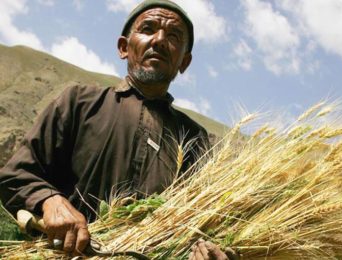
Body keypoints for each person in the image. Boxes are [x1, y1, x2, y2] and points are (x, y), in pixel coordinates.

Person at [0, 0, 235, 259]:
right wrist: (50, 200)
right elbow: (14, 176)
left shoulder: (196, 140)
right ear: (124, 47)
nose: (158, 40)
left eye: (173, 36)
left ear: (184, 62)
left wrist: (209, 250)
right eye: (148, 29)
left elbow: (207, 220)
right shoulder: (78, 102)